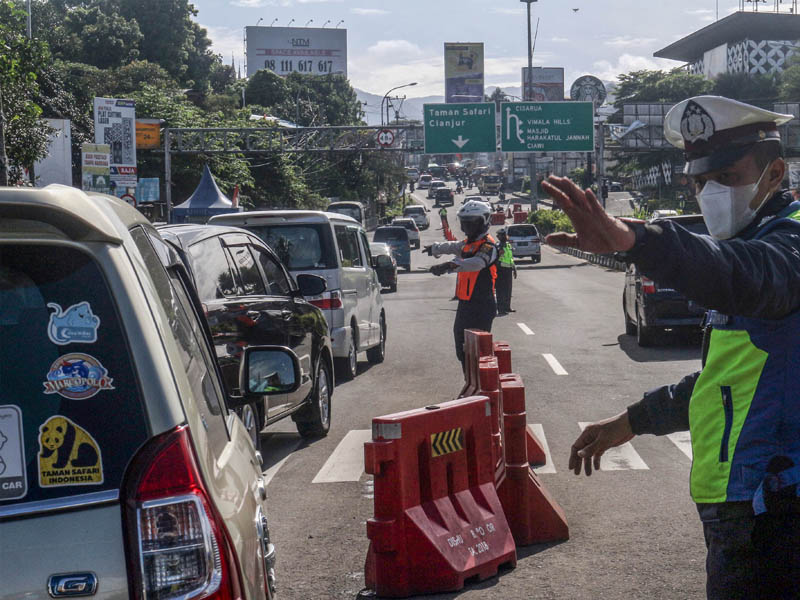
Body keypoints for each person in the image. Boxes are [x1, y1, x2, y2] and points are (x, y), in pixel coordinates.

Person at [543, 96, 800, 600]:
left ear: (775, 173)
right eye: (700, 181)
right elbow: (730, 383)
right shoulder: (755, 239)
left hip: (779, 512)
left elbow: (745, 274)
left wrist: (636, 240)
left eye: (727, 176)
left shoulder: (786, 247)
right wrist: (634, 419)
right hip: (745, 508)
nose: (710, 192)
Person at [424, 200, 498, 368]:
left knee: (478, 350)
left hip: (483, 305)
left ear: (484, 221)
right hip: (466, 303)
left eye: (471, 223)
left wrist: (449, 266)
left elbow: (477, 263)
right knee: (461, 347)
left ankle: (482, 383)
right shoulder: (469, 244)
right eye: (464, 223)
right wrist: (434, 249)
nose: (467, 228)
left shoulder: (488, 245)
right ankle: (470, 381)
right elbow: (454, 246)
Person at [495, 229, 516, 315]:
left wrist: (514, 268)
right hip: (500, 270)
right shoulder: (498, 246)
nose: (498, 237)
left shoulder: (508, 245)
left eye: (500, 235)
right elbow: (495, 258)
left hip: (508, 270)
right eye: (498, 235)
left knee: (508, 290)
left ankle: (507, 307)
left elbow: (510, 258)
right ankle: (501, 308)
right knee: (500, 290)